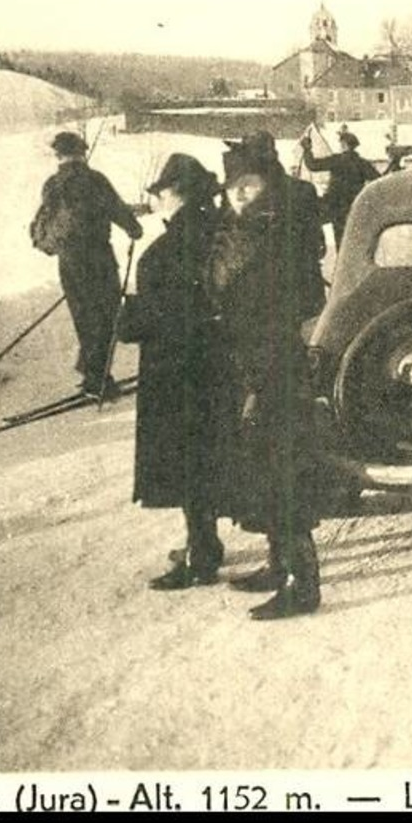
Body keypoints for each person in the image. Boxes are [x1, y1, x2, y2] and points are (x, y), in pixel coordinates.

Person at [206, 142, 324, 619]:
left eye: (248, 186)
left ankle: (303, 582)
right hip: (248, 363)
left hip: (274, 368)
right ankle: (278, 564)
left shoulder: (278, 232)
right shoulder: (236, 229)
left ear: (267, 185)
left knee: (285, 473)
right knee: (263, 470)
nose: (239, 195)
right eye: (233, 188)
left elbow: (306, 300)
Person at [117, 154, 222, 590]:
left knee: (188, 464)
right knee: (212, 458)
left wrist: (127, 317)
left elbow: (149, 322)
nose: (156, 200)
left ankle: (201, 554)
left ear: (176, 194)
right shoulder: (220, 234)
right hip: (216, 365)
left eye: (160, 192)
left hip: (176, 372)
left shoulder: (164, 253)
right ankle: (207, 544)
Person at [30, 130, 143, 398]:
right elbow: (116, 208)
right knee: (107, 316)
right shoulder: (94, 180)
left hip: (68, 262)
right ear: (82, 152)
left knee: (84, 317)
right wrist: (134, 229)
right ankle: (97, 378)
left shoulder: (52, 184)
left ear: (59, 155)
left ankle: (93, 371)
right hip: (98, 259)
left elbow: (45, 220)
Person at [231, 131, 326, 321]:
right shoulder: (304, 190)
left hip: (263, 304)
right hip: (303, 298)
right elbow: (318, 246)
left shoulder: (245, 199)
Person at [300, 127, 380, 250]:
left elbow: (312, 165)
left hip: (335, 206)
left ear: (344, 145)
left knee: (339, 239)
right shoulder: (362, 163)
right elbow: (378, 180)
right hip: (354, 206)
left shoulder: (336, 160)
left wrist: (307, 149)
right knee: (354, 241)